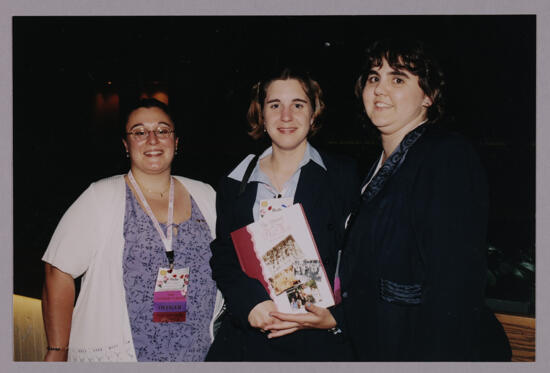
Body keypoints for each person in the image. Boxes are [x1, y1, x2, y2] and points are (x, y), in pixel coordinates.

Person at [336, 39, 511, 361]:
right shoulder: (376, 166)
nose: (379, 89)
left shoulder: (445, 156)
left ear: (429, 96)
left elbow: (455, 288)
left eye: (398, 79)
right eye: (374, 77)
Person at [41, 98, 224, 362]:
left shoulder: (205, 194)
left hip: (199, 353)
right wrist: (58, 350)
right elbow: (57, 269)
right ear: (126, 145)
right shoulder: (101, 196)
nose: (152, 139)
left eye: (162, 130)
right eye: (139, 132)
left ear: (176, 141)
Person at [206, 68, 359, 361]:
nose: (286, 116)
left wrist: (337, 317)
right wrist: (250, 304)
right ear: (261, 115)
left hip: (317, 343)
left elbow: (360, 259)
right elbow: (224, 254)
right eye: (275, 105)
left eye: (298, 105)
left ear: (314, 113)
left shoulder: (343, 175)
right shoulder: (235, 182)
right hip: (250, 341)